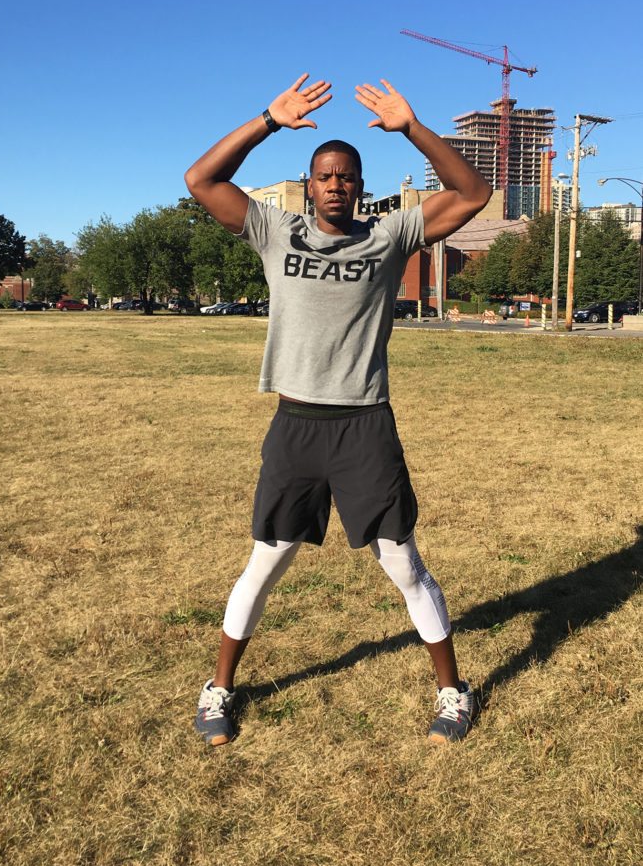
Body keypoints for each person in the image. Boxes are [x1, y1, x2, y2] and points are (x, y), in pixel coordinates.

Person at [184, 74, 492, 746]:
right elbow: (201, 180)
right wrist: (267, 119)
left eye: (345, 177)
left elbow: (473, 193)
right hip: (295, 424)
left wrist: (413, 127)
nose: (334, 185)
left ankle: (452, 691)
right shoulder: (275, 230)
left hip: (363, 425)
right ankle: (219, 688)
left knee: (402, 563)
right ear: (308, 184)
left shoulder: (388, 236)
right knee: (266, 563)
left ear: (359, 187)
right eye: (323, 176)